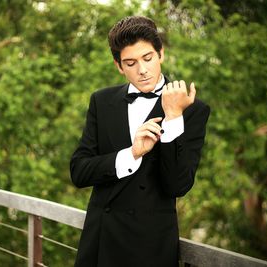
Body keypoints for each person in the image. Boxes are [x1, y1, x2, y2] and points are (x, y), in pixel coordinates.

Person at [70, 16, 210, 267]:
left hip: (149, 249)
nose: (142, 70)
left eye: (148, 58)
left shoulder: (192, 109)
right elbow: (79, 171)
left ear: (161, 54)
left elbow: (178, 185)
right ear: (119, 66)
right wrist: (131, 154)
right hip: (100, 243)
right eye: (131, 63)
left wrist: (174, 117)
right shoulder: (101, 101)